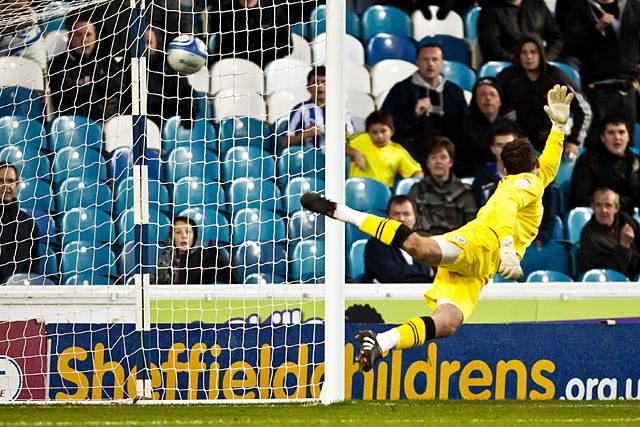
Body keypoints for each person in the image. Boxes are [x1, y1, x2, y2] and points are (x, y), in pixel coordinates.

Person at [301, 84, 573, 372]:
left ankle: (380, 342)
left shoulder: (534, 179)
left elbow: (550, 167)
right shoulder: (525, 183)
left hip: (479, 269)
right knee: (423, 249)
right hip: (482, 244)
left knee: (447, 322)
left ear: (504, 169)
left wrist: (558, 128)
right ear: (531, 166)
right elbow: (507, 202)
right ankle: (340, 210)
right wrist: (506, 247)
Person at [497, 35, 592, 158]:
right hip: (518, 146)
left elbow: (584, 109)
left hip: (554, 142)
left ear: (541, 54)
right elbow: (495, 111)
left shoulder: (555, 77)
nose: (529, 57)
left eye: (533, 52)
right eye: (524, 53)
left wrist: (574, 141)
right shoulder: (507, 78)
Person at [563, 0, 640, 147]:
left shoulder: (631, 5)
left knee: (626, 146)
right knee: (598, 146)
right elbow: (571, 45)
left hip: (628, 86)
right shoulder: (580, 7)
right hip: (598, 87)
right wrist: (596, 28)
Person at [380, 42, 468, 161]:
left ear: (442, 63)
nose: (430, 64)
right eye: (425, 60)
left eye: (435, 59)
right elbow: (384, 125)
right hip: (411, 153)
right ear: (417, 62)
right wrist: (413, 114)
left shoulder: (453, 91)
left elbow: (464, 126)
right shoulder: (401, 89)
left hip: (448, 153)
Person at [473, 127, 560, 247]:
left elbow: (550, 163)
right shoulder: (484, 179)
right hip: (491, 241)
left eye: (509, 145)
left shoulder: (537, 178)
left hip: (528, 241)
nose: (505, 149)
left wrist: (558, 128)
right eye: (500, 145)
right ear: (492, 149)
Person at [112, 28, 199, 128]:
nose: (145, 47)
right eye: (142, 43)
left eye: (149, 43)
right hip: (132, 123)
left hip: (165, 119)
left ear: (157, 44)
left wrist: (187, 115)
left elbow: (186, 92)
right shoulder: (125, 65)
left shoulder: (169, 64)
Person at [48, 17, 117, 121]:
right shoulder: (57, 64)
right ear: (70, 37)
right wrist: (99, 85)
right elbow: (70, 95)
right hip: (72, 123)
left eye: (88, 35)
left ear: (96, 37)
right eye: (78, 35)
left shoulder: (106, 61)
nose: (84, 40)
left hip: (107, 121)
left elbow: (117, 85)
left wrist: (84, 84)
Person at [449, 77, 520, 177]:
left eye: (492, 94)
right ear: (475, 100)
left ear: (500, 100)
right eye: (482, 94)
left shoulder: (511, 126)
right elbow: (454, 162)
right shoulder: (461, 127)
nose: (488, 98)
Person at [570, 113, 640, 213]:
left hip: (632, 219)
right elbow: (579, 198)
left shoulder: (636, 162)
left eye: (621, 132)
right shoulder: (587, 161)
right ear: (602, 137)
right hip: (598, 218)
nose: (617, 137)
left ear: (628, 136)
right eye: (611, 132)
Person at [408, 136, 477, 236]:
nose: (438, 161)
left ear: (451, 162)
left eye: (443, 157)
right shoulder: (417, 190)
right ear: (427, 163)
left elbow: (472, 225)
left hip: (455, 244)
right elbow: (410, 224)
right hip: (424, 244)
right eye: (433, 157)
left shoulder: (465, 191)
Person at [364, 195, 435, 283]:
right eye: (396, 214)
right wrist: (427, 270)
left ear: (415, 218)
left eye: (406, 214)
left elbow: (438, 272)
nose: (401, 219)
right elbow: (391, 276)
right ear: (388, 218)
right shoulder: (376, 244)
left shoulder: (425, 241)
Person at [208, 0, 301, 67]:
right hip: (234, 67)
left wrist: (258, 49)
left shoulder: (275, 10)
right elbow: (224, 49)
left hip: (267, 67)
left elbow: (287, 46)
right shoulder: (223, 12)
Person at [285, 66, 356, 151]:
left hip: (335, 161)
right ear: (308, 88)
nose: (319, 86)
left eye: (324, 82)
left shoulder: (341, 110)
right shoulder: (300, 110)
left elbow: (352, 138)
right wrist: (305, 134)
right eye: (315, 82)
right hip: (307, 161)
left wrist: (343, 135)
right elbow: (285, 143)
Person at [347, 111, 423, 189]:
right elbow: (339, 145)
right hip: (356, 191)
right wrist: (355, 153)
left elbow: (417, 172)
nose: (379, 136)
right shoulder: (360, 139)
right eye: (374, 132)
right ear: (368, 133)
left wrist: (414, 184)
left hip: (382, 194)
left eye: (383, 131)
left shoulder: (398, 152)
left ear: (392, 131)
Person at [578, 187, 640, 279]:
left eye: (608, 205)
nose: (603, 210)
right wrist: (623, 246)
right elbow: (603, 275)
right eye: (598, 205)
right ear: (593, 207)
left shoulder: (625, 220)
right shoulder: (589, 235)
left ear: (616, 208)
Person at [152, 216, 234, 285]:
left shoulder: (207, 254)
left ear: (194, 236)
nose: (184, 236)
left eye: (188, 232)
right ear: (171, 236)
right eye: (178, 232)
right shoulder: (163, 257)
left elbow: (231, 279)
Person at [478, 0, 563, 62]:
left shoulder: (538, 4)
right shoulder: (490, 10)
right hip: (508, 65)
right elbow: (491, 48)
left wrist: (546, 58)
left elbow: (556, 37)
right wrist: (522, 60)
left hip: (541, 63)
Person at [0, 162, 39, 283]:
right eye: (1, 181)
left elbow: (33, 266)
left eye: (11, 181)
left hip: (17, 295)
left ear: (16, 185)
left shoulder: (28, 224)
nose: (7, 186)